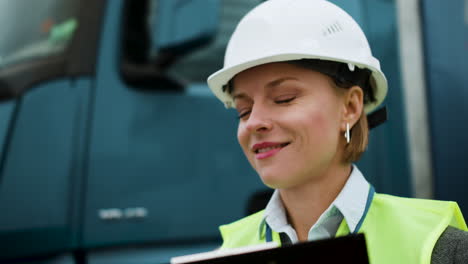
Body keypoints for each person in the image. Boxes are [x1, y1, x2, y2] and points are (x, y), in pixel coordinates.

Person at [206, 0, 468, 263]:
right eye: (243, 110)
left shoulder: (438, 246)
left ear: (350, 107)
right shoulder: (229, 250)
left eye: (284, 98)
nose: (254, 122)